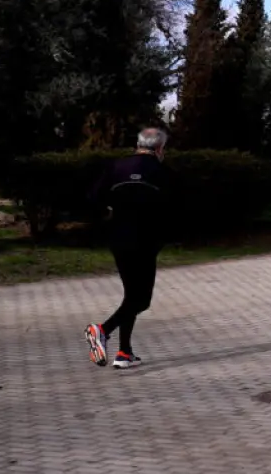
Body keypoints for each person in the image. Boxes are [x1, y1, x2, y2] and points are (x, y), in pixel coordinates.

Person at [83, 126, 175, 369]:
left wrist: (107, 215)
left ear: (138, 144)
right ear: (159, 148)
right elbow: (174, 207)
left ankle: (124, 352)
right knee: (141, 300)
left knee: (131, 295)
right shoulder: (162, 171)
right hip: (146, 241)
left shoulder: (116, 167)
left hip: (118, 239)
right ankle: (102, 330)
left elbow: (93, 198)